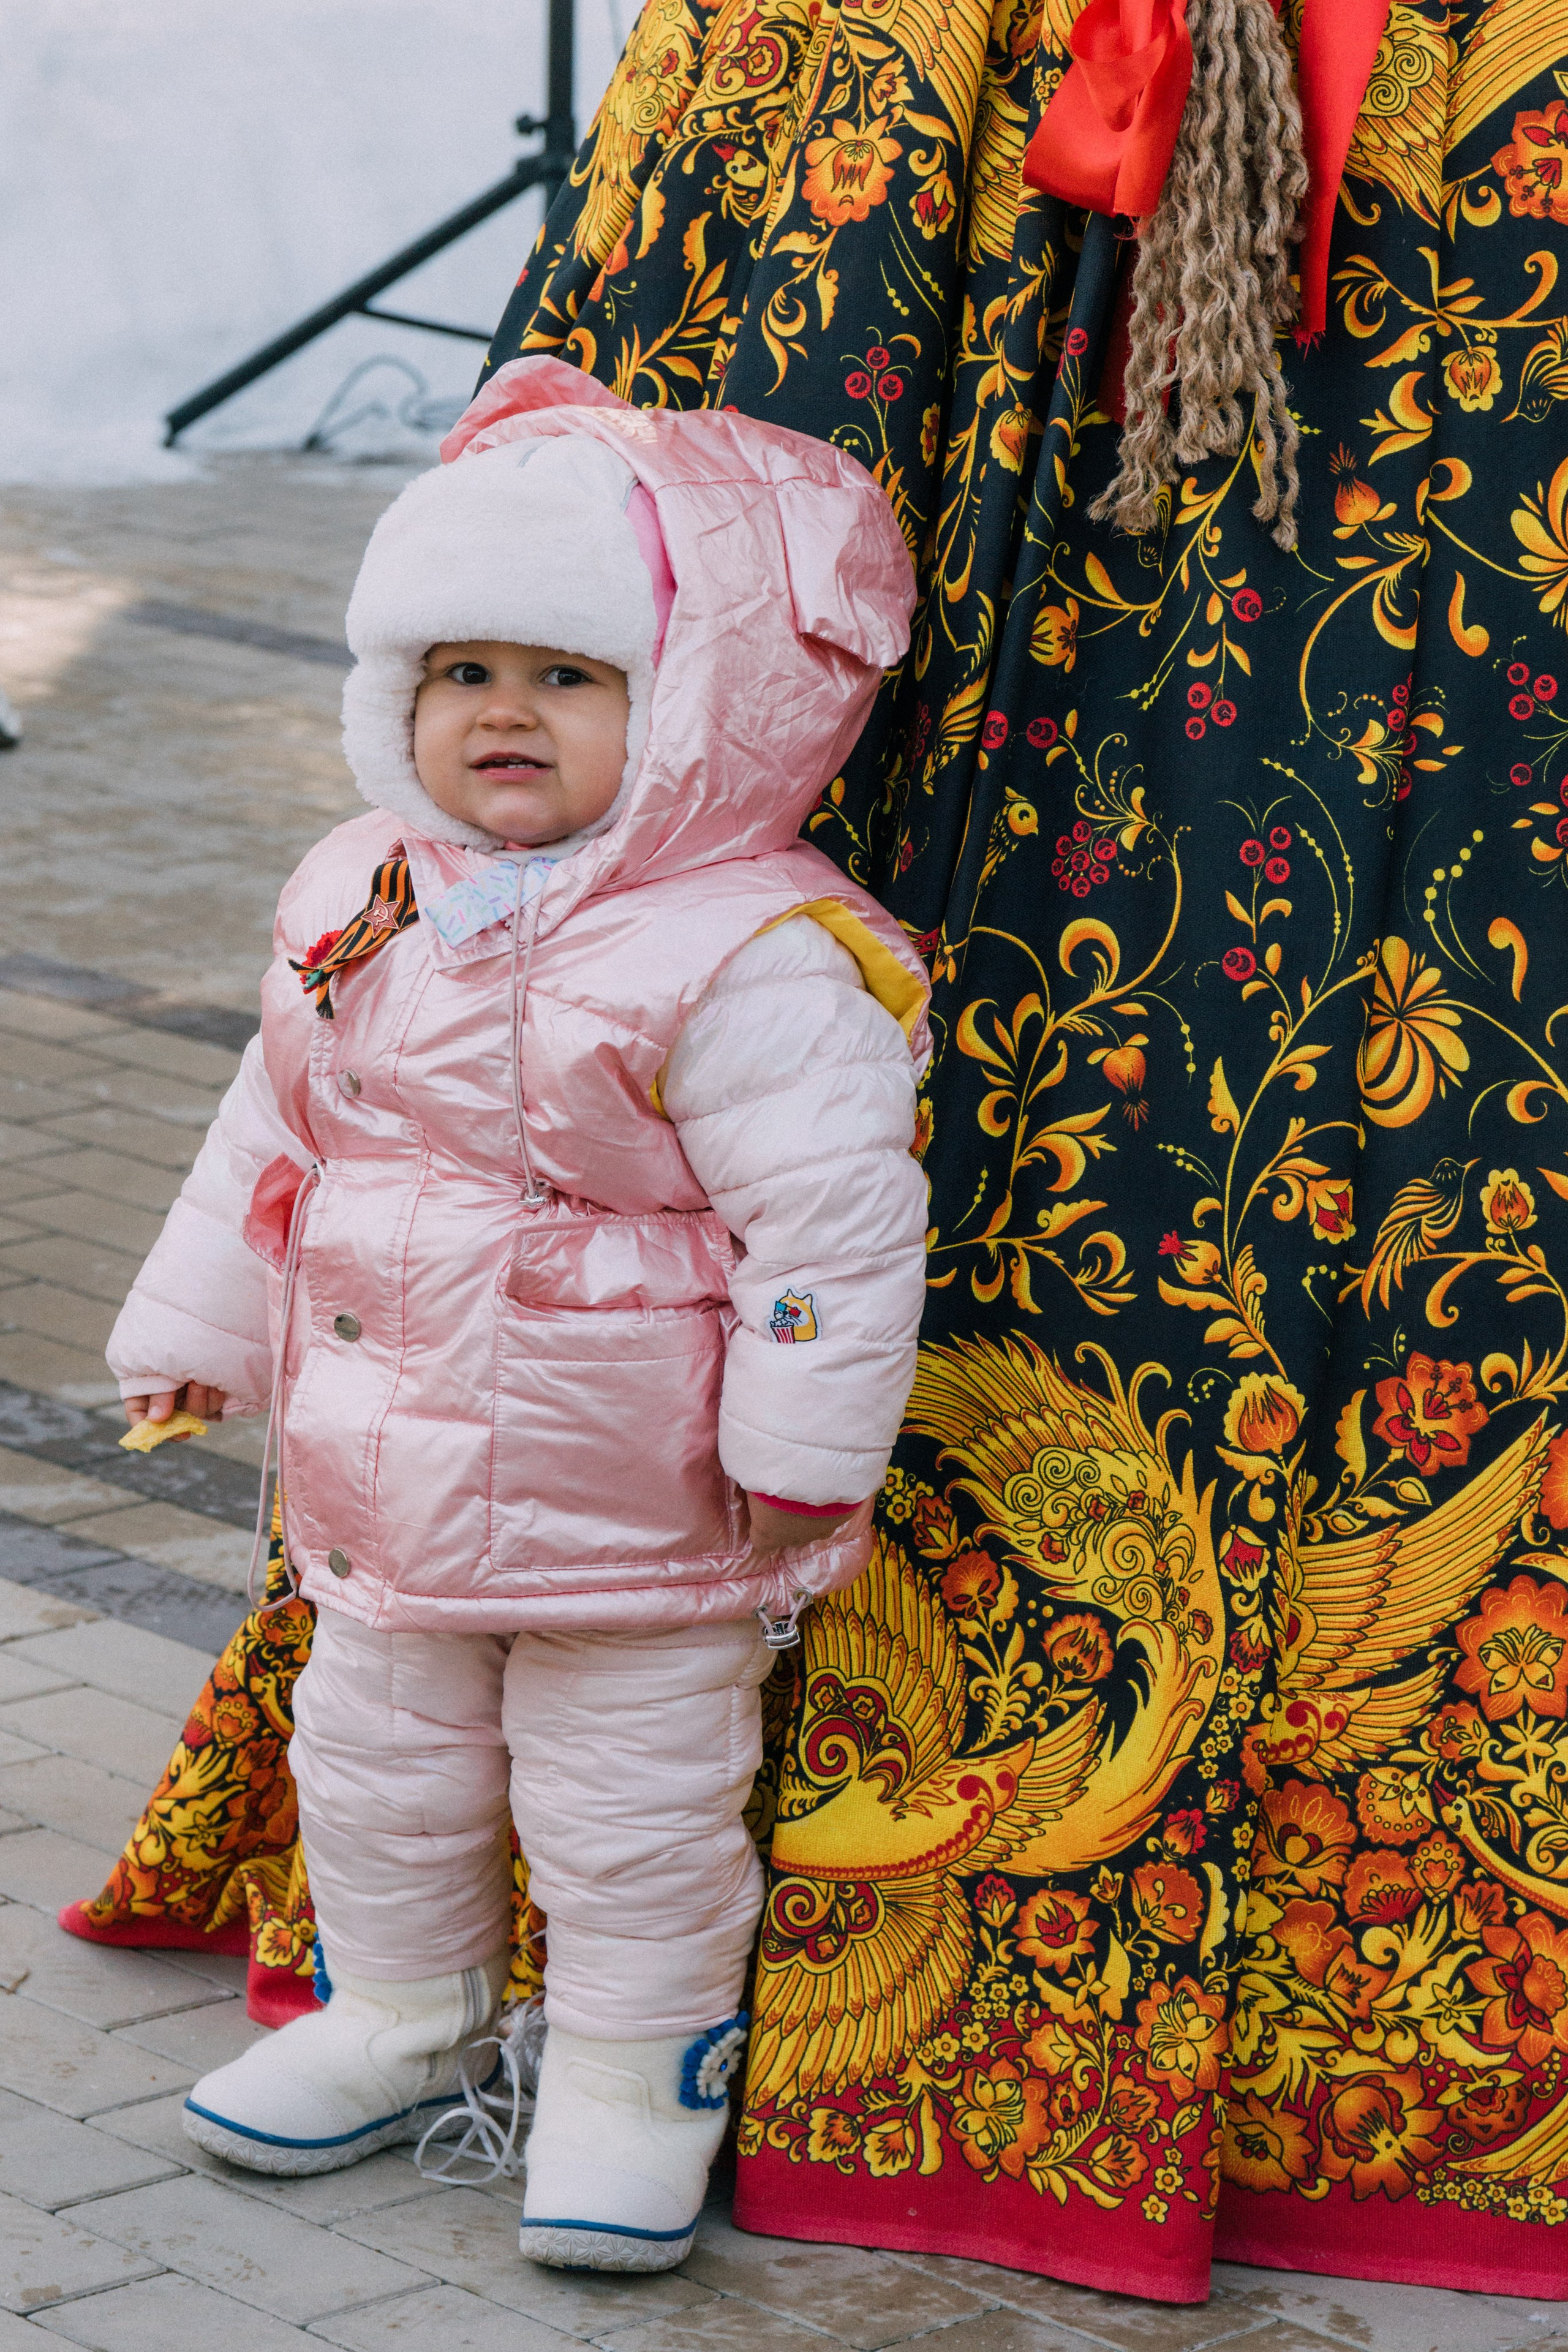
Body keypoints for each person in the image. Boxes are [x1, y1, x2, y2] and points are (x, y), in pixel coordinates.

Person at [104, 355, 931, 2272]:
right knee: (376, 1759)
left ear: (701, 706)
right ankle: (400, 2009)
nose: (503, 715)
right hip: (386, 1481)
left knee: (633, 1803)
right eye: (463, 672)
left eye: (567, 677)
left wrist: (802, 1461)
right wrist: (198, 1330)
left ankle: (639, 2079)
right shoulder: (362, 891)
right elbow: (276, 1135)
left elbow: (833, 1230)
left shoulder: (747, 952)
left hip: (635, 1492)